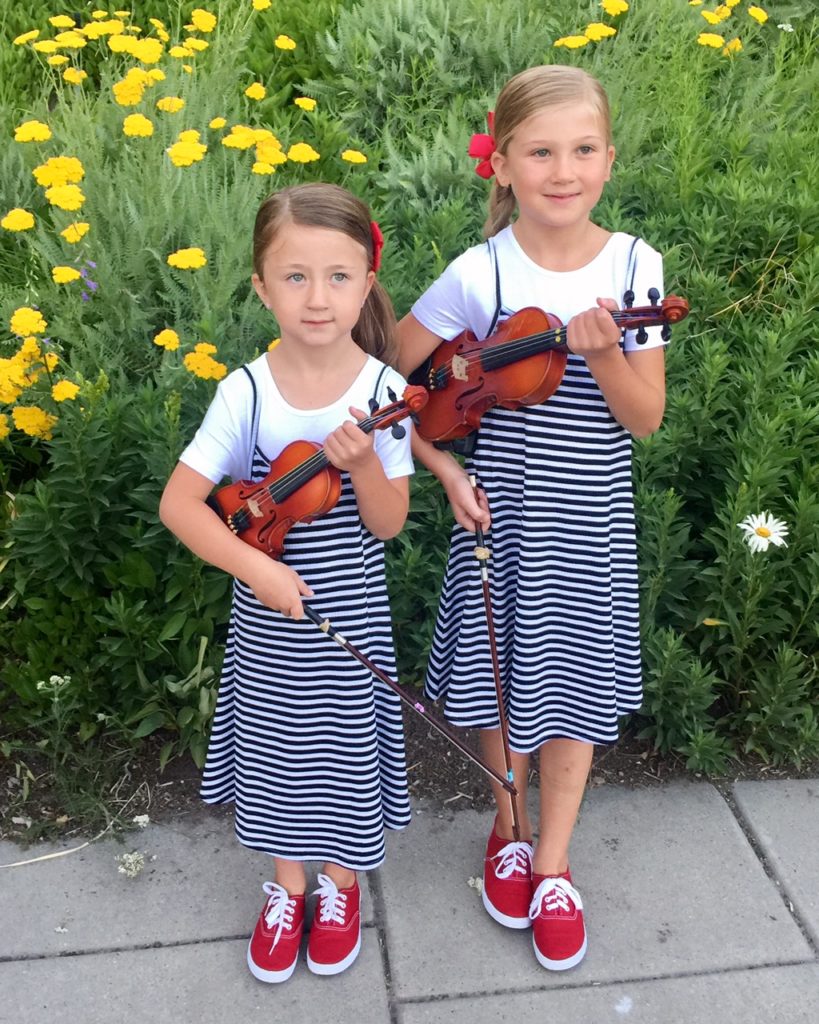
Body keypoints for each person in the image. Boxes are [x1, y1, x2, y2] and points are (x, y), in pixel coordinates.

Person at [397, 65, 667, 971]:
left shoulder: (634, 268)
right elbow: (397, 377)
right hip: (500, 514)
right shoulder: (481, 271)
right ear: (501, 165)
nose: (564, 170)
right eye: (541, 152)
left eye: (582, 150)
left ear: (608, 158)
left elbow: (644, 418)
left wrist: (597, 356)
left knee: (576, 688)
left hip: (588, 521)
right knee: (497, 680)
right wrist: (436, 462)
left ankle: (552, 864)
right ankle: (506, 827)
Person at [160, 183, 414, 983]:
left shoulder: (380, 393)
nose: (318, 297)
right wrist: (259, 568)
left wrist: (367, 461)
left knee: (341, 753)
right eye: (295, 277)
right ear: (261, 285)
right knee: (276, 755)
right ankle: (287, 885)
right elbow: (181, 506)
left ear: (366, 282)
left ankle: (340, 885)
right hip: (269, 622)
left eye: (338, 276)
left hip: (350, 621)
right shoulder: (246, 391)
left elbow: (387, 525)